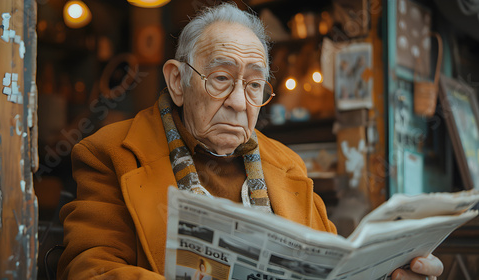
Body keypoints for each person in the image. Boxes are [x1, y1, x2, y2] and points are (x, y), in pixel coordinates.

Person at [57, 3, 443, 280]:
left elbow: (332, 268)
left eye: (255, 85)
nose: (240, 103)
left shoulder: (287, 164)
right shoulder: (109, 153)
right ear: (178, 81)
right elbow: (90, 269)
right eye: (221, 79)